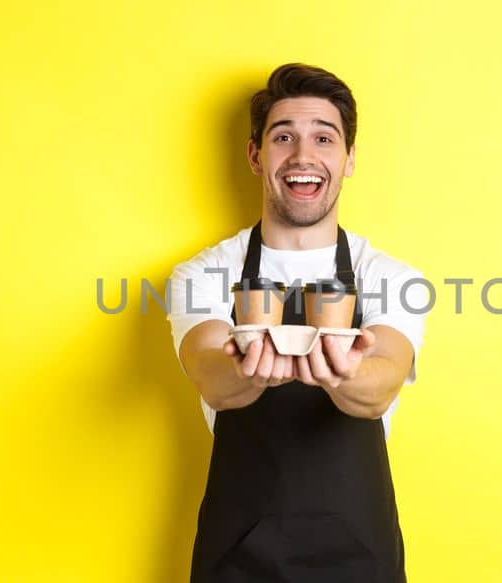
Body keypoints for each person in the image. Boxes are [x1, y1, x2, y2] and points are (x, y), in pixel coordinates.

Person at [167, 63, 427, 582]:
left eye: (324, 139)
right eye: (283, 137)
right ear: (255, 156)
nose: (303, 157)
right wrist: (252, 370)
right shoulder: (205, 272)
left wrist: (341, 370)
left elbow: (382, 382)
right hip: (237, 554)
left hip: (360, 553)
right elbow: (212, 377)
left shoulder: (391, 276)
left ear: (348, 158)